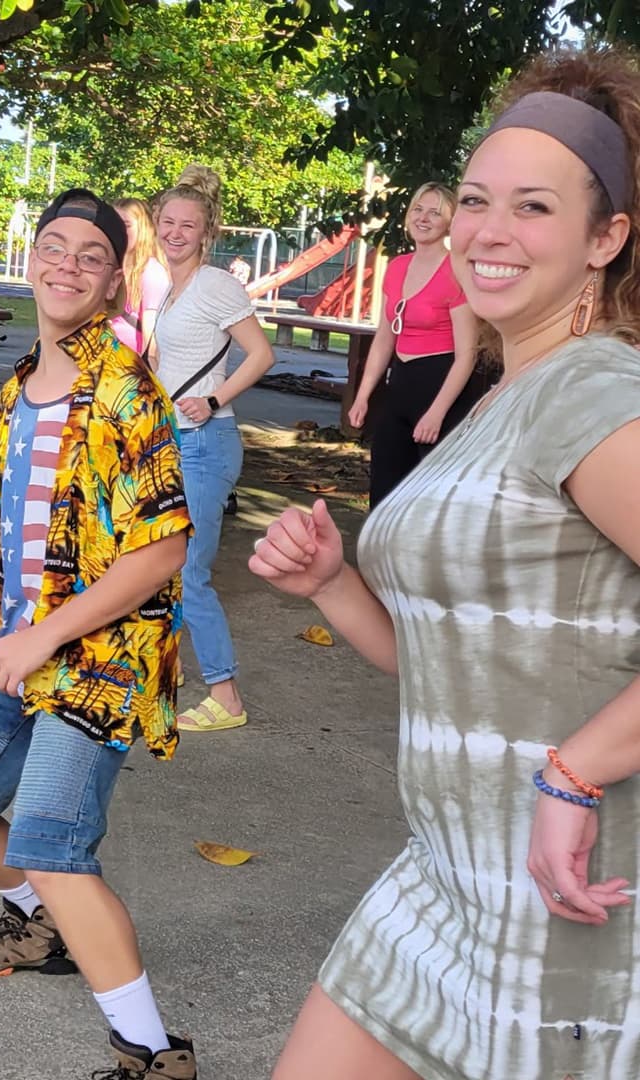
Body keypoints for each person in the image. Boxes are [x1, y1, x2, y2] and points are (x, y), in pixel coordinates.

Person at [254, 46, 640, 1080]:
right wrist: (333, 581)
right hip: (446, 873)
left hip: (571, 901)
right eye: (474, 200)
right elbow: (451, 661)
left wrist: (577, 766)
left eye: (534, 208)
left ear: (608, 238)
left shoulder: (595, 393)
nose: (488, 232)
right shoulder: (504, 397)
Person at [0, 189, 197, 1077]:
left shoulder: (124, 389)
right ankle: (43, 927)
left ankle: (153, 1054)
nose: (67, 265)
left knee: (53, 845)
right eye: (54, 247)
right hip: (10, 640)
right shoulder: (21, 384)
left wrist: (41, 640)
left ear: (111, 281)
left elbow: (164, 548)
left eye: (90, 256)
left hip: (100, 657)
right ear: (34, 257)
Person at [151, 164, 275, 733]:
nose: (176, 232)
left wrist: (214, 396)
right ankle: (154, 678)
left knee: (188, 571)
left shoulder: (216, 284)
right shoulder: (174, 288)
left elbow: (261, 354)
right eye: (168, 222)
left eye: (188, 225)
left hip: (206, 442)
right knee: (159, 568)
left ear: (207, 232)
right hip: (175, 441)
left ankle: (225, 697)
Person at [347, 183, 480, 506]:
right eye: (418, 209)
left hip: (441, 384)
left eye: (435, 212)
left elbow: (467, 354)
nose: (424, 218)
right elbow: (384, 337)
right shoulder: (397, 267)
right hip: (401, 383)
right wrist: (363, 395)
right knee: (384, 489)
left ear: (450, 222)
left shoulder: (457, 270)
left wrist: (436, 413)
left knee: (431, 497)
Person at [111, 196, 169, 358]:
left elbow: (152, 341)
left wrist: (145, 376)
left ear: (143, 229)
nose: (119, 231)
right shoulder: (112, 268)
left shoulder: (151, 272)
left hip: (130, 370)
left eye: (127, 225)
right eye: (114, 225)